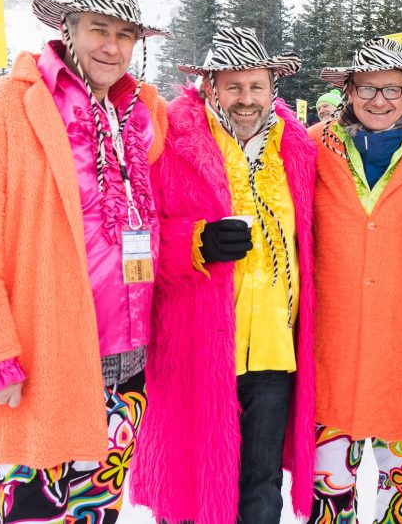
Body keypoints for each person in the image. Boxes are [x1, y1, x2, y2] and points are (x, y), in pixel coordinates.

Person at [0, 0, 170, 523]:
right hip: (41, 367)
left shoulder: (143, 118)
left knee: (99, 513)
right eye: (98, 29)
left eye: (125, 34)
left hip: (127, 370)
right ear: (67, 29)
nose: (112, 46)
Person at [131, 27, 316, 524]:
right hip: (199, 346)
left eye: (256, 86)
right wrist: (193, 243)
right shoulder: (169, 138)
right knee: (197, 483)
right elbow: (132, 234)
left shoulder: (296, 146)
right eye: (233, 86)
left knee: (261, 486)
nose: (246, 99)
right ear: (209, 86)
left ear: (273, 87)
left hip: (276, 347)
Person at [306, 38, 402, 522]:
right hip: (335, 354)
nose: (378, 100)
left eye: (390, 88)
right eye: (366, 88)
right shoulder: (314, 146)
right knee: (328, 499)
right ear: (348, 91)